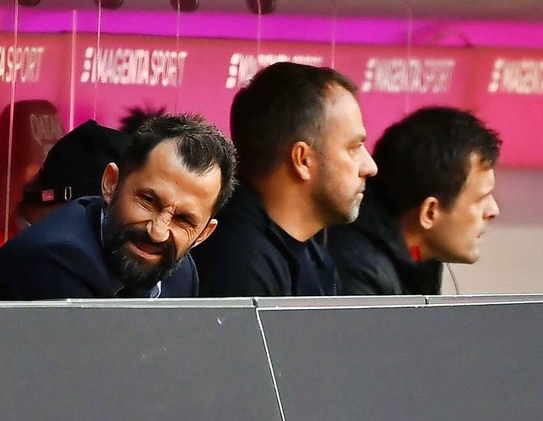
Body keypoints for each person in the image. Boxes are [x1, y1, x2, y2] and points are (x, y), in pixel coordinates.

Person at [0, 114, 237, 300]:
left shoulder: (182, 273)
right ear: (111, 183)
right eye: (148, 201)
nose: (158, 232)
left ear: (203, 234)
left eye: (183, 220)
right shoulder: (53, 261)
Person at [192, 62, 378, 297]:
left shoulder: (312, 253)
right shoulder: (237, 261)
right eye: (354, 147)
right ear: (302, 160)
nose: (370, 167)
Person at [327, 106, 502, 295]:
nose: (493, 211)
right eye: (480, 199)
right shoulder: (358, 274)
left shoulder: (417, 255)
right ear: (429, 212)